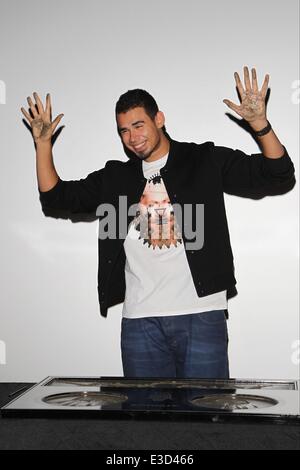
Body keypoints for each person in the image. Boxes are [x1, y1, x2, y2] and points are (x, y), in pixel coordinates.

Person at [21, 66, 295, 379]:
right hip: (140, 320)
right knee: (146, 423)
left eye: (138, 125)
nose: (132, 137)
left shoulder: (203, 160)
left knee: (207, 421)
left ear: (159, 119)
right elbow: (57, 197)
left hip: (201, 314)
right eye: (124, 130)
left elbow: (278, 174)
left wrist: (259, 124)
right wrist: (43, 144)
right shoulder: (115, 178)